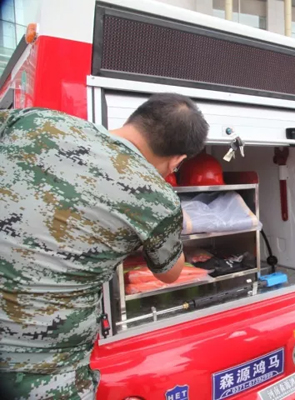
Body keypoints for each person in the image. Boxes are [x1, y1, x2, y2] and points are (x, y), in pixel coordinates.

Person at [0, 93, 209, 399]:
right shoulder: (156, 198)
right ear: (177, 160)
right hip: (45, 370)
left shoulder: (34, 120)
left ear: (135, 119)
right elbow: (169, 273)